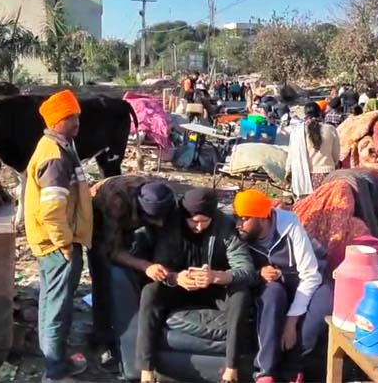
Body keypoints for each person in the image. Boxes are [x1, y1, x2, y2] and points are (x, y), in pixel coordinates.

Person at [136, 189, 256, 383]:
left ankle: (231, 368)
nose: (199, 227)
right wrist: (175, 278)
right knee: (150, 291)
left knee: (240, 294)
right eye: (194, 222)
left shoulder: (225, 226)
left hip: (215, 288)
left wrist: (217, 276)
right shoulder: (171, 224)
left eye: (204, 222)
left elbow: (246, 270)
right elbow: (160, 262)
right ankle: (146, 371)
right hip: (180, 287)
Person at [24, 90, 93, 381]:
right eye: (70, 117)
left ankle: (54, 360)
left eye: (77, 116)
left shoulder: (57, 146)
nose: (77, 122)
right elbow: (52, 210)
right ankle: (54, 373)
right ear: (55, 121)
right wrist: (64, 244)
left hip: (50, 241)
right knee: (57, 308)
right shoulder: (55, 157)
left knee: (50, 303)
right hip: (57, 244)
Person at [235, 189, 330, 383]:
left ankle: (292, 372)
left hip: (304, 281)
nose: (238, 224)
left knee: (326, 300)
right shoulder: (240, 233)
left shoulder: (289, 225)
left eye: (244, 219)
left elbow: (310, 274)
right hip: (273, 285)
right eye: (237, 217)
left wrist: (290, 322)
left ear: (263, 219)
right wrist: (259, 272)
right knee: (272, 292)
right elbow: (236, 267)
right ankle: (265, 373)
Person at [89, 177, 178, 367]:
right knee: (104, 279)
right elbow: (112, 251)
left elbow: (168, 232)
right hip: (99, 223)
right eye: (155, 220)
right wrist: (146, 266)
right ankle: (103, 339)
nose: (160, 223)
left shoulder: (164, 195)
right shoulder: (115, 202)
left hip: (133, 222)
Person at [286, 102, 340, 197]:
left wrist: (288, 171)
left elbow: (291, 155)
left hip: (304, 176)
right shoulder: (330, 129)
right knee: (326, 203)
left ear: (305, 114)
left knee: (307, 204)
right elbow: (336, 154)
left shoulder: (296, 132)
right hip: (327, 174)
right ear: (320, 113)